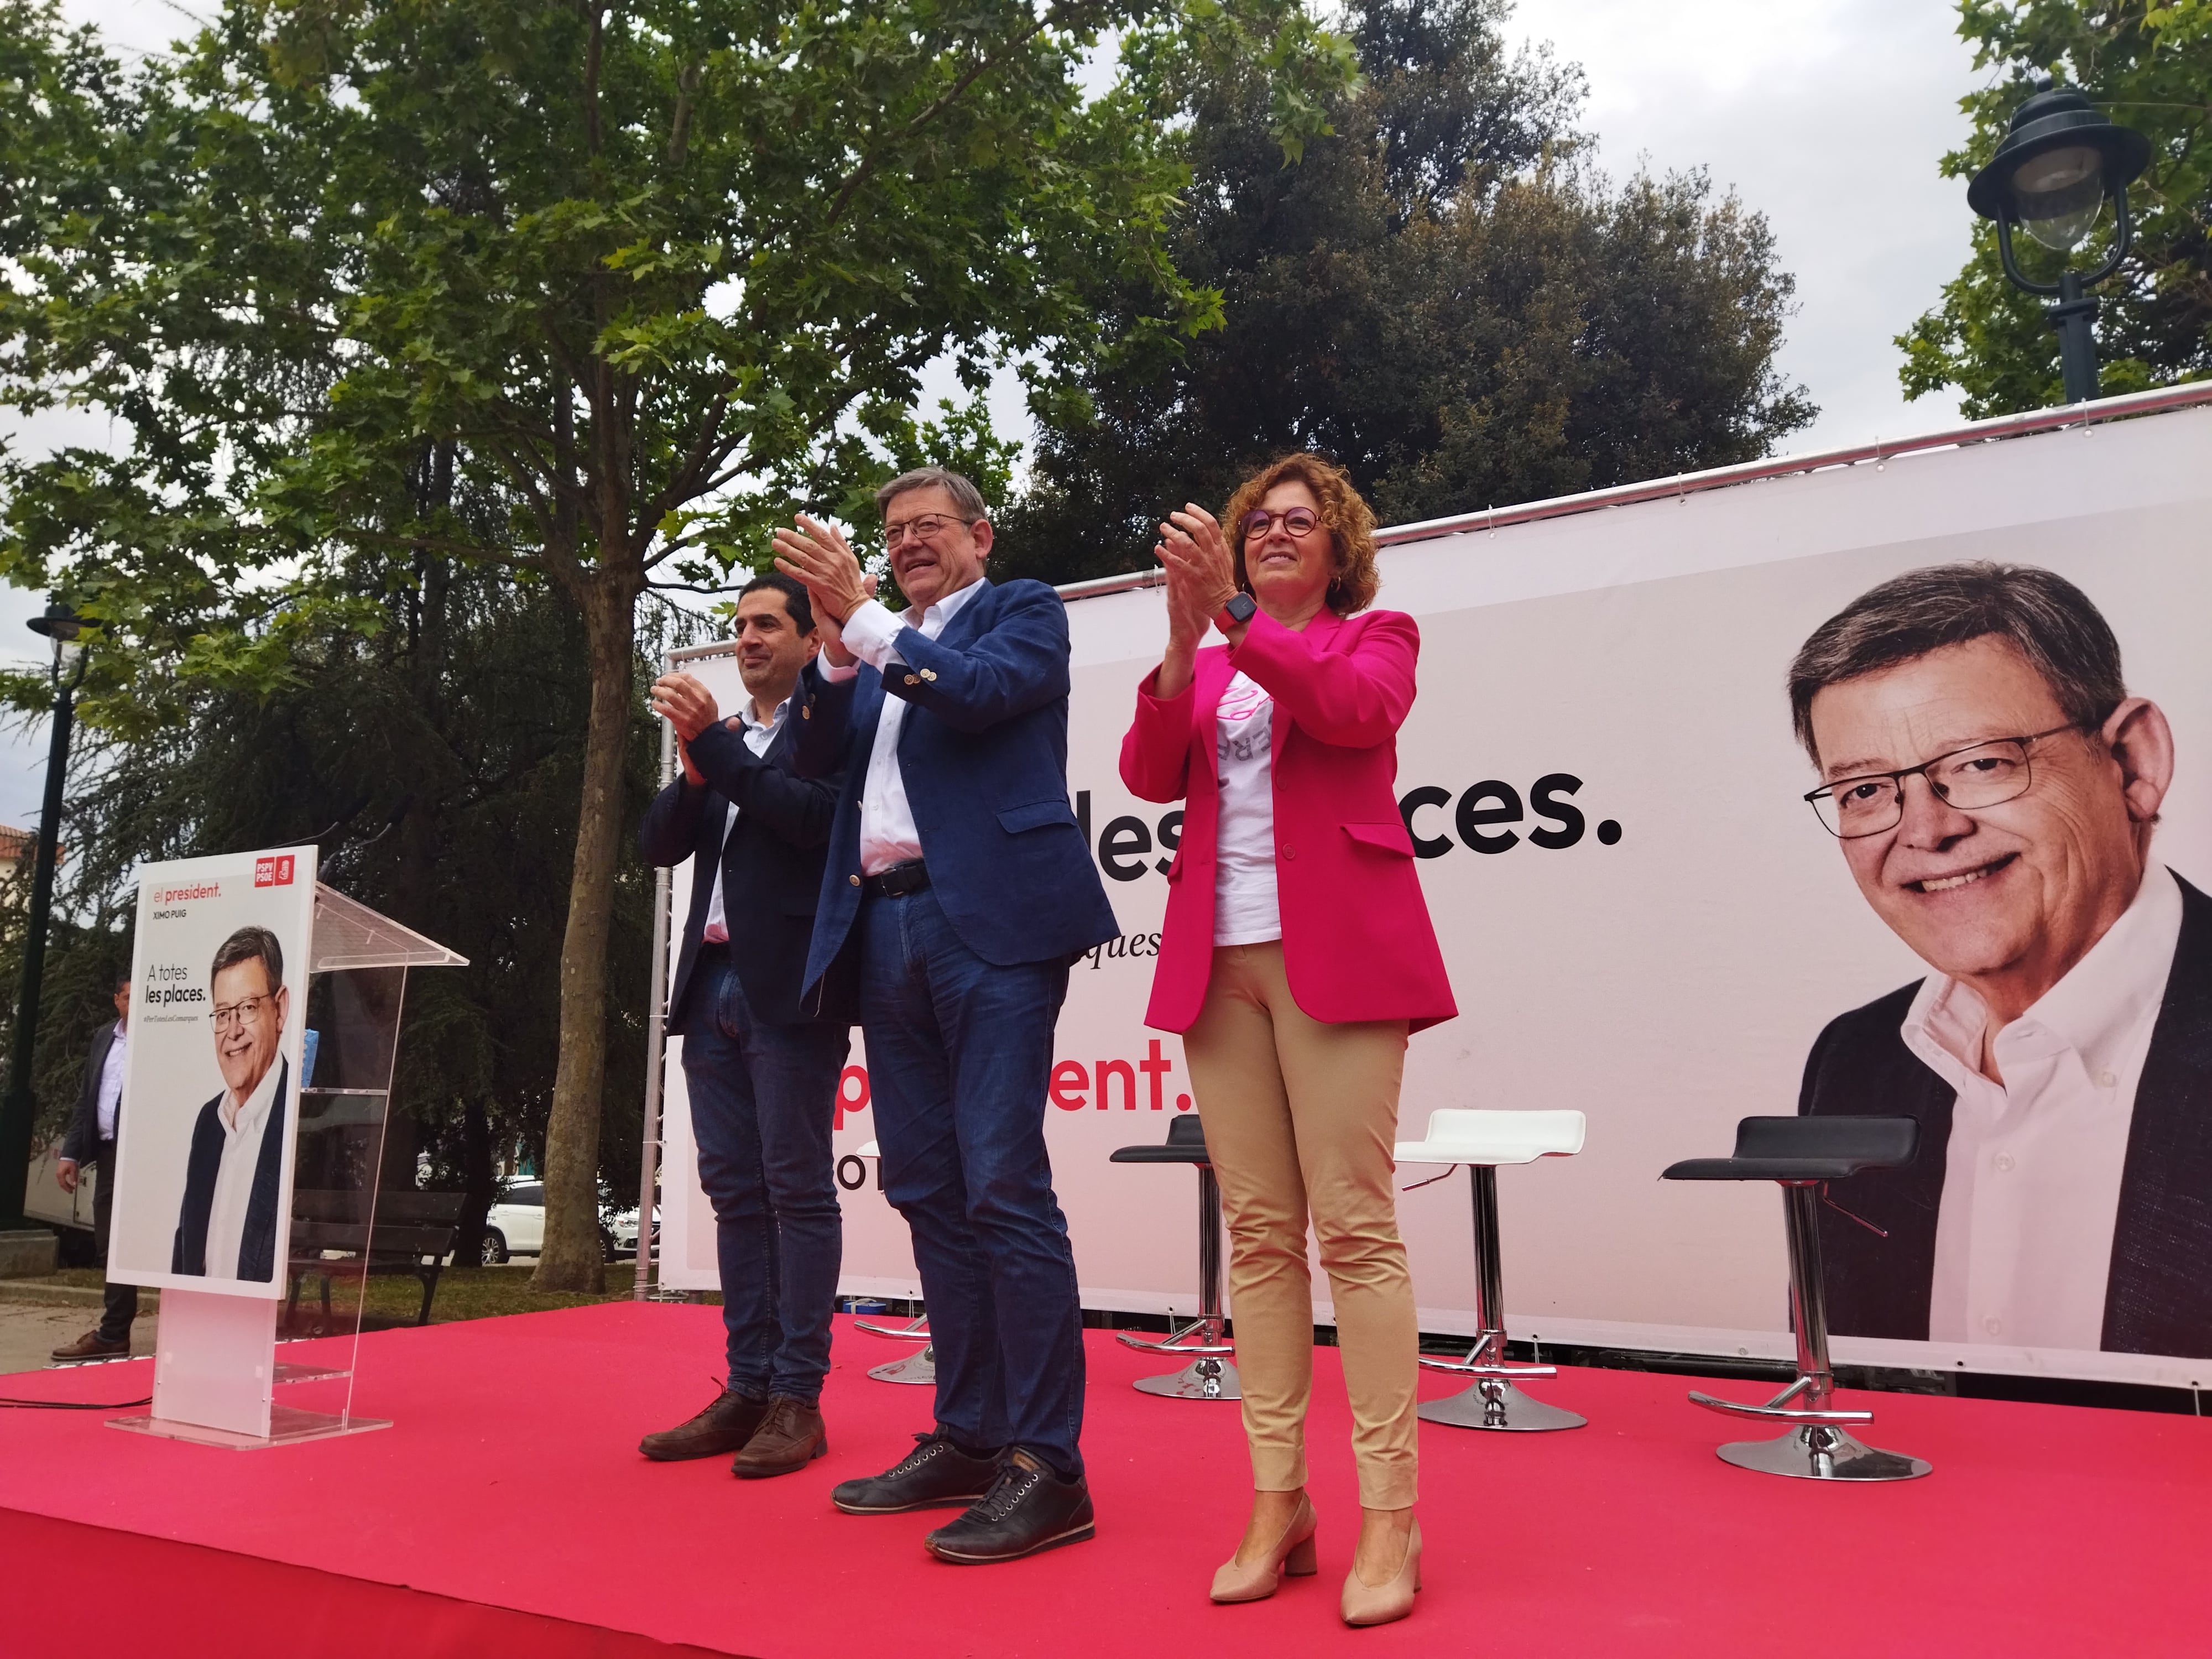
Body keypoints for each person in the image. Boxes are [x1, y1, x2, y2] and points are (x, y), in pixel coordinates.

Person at [1120, 452, 1455, 1627]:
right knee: (1258, 1236)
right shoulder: (1211, 659)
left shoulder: (1378, 634)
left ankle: (1389, 1516)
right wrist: (1179, 646)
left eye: (1294, 522)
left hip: (1341, 959)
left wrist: (1236, 619)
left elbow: (1350, 712)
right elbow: (1147, 773)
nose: (1269, 532)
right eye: (1254, 522)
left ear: (1336, 545)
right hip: (1219, 965)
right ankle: (1277, 1502)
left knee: (1354, 1226)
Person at [771, 466, 1119, 1565]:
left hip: (991, 928)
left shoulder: (1021, 612)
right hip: (884, 929)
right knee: (927, 1187)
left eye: (929, 526)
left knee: (1002, 1180)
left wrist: (867, 623)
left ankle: (1046, 1465)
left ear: (979, 534)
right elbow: (815, 753)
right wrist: (831, 646)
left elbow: (972, 693)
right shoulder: (873, 651)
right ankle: (967, 1436)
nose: (910, 543)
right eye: (892, 532)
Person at [1790, 560, 2212, 1359]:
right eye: (1867, 791)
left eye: (1980, 763)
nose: (1924, 832)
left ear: (2132, 763)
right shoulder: (1854, 1060)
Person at [635, 572, 855, 1478]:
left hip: (791, 986)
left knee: (796, 1189)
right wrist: (697, 766)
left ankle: (798, 1398)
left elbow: (811, 822)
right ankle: (748, 1385)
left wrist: (719, 752)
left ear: (810, 640)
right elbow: (659, 846)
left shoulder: (830, 723)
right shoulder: (722, 744)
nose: (748, 638)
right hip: (713, 982)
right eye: (739, 626)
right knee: (734, 1190)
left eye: (768, 623)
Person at [173, 926, 290, 1281]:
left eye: (248, 1008)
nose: (233, 1030)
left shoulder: (300, 1115)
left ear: (280, 1010)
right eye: (223, 1014)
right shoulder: (210, 1120)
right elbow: (186, 1249)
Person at [49, 967, 138, 1361]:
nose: (136, 1005)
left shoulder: (160, 1039)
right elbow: (87, 1099)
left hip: (140, 1154)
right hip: (105, 1153)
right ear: (117, 1001)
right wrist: (70, 1153)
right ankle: (115, 1332)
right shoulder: (105, 1038)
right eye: (129, 998)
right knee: (109, 1243)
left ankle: (116, 1331)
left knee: (140, 1242)